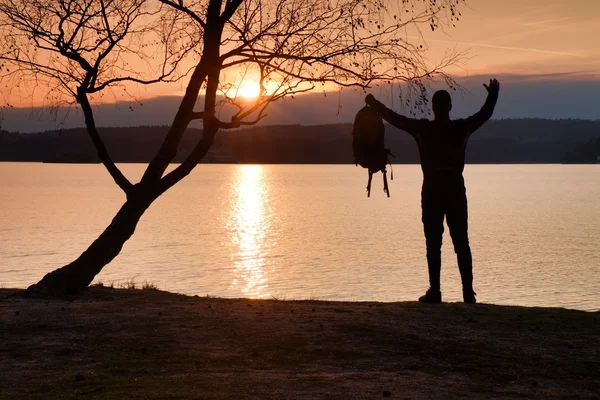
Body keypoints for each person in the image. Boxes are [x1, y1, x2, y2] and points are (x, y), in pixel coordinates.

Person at [365, 79, 500, 304]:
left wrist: (373, 103)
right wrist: (493, 94)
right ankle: (468, 292)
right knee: (461, 241)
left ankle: (435, 291)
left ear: (433, 107)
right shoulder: (461, 127)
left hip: (432, 190)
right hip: (455, 189)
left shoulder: (423, 128)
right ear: (449, 107)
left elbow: (394, 118)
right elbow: (484, 115)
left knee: (433, 242)